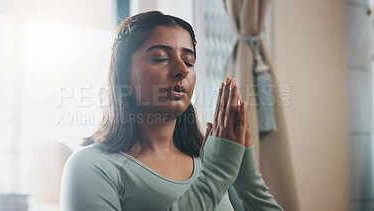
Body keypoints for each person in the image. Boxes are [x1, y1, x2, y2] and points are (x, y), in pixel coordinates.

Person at [60, 11, 283, 211]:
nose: (181, 70)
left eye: (189, 61)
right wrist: (215, 178)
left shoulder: (209, 159)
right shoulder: (91, 166)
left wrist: (249, 180)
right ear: (123, 73)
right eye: (160, 58)